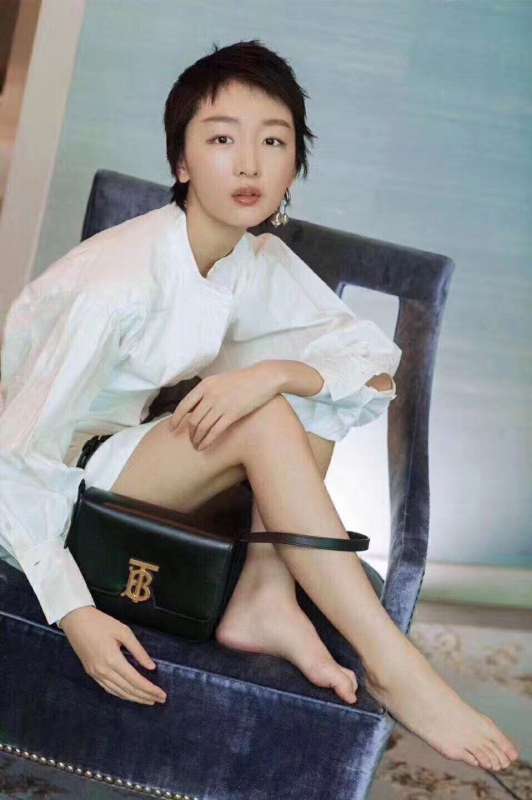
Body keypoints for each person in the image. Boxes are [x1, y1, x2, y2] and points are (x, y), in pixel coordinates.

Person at [0, 39, 519, 772]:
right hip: (51, 498)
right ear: (182, 162)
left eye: (272, 142)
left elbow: (370, 371)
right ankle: (392, 664)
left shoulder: (250, 257)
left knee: (301, 384)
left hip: (127, 464)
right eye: (221, 140)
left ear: (294, 165)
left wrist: (273, 372)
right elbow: (14, 461)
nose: (248, 164)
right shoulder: (114, 286)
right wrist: (74, 611)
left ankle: (265, 595)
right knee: (273, 407)